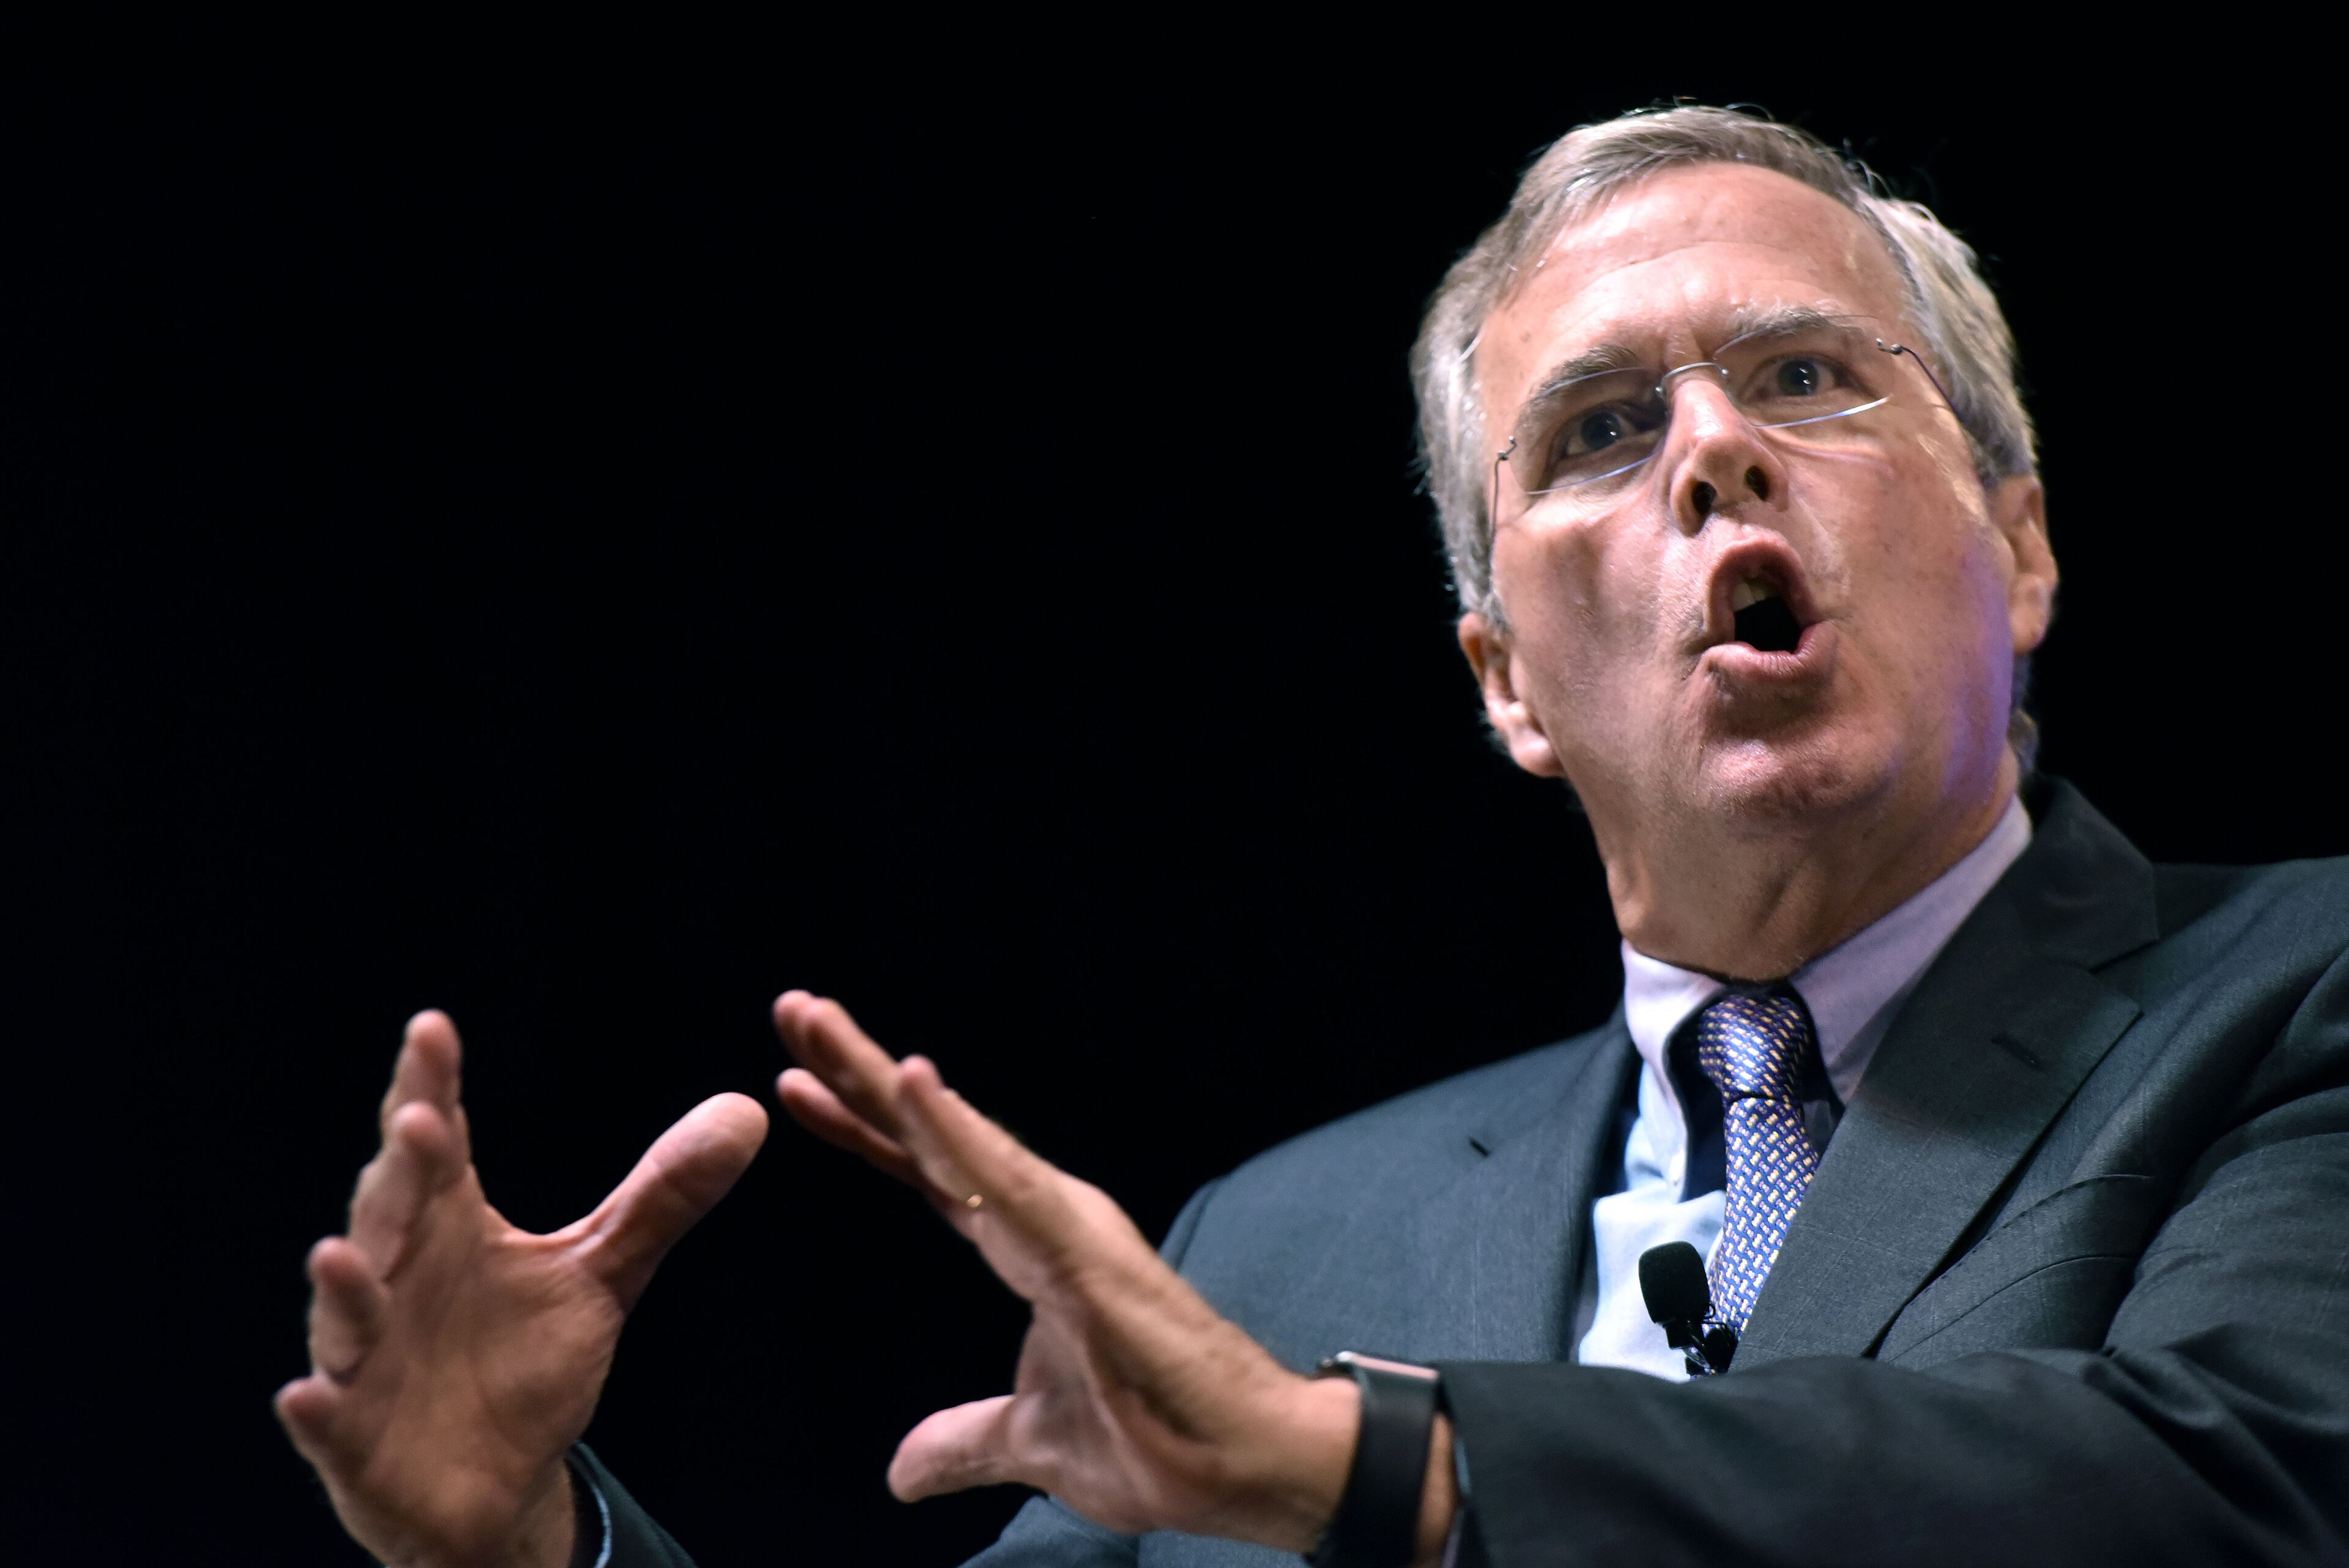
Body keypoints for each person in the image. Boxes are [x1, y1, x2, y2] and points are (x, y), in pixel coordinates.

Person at [276, 106, 2349, 1567]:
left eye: (1805, 375)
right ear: (1507, 682)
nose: (1713, 453)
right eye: (1604, 433)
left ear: (2020, 536)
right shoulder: (1279, 1246)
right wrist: (533, 1550)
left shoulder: (2293, 999)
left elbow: (2244, 1483)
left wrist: (1386, 1468)